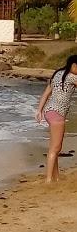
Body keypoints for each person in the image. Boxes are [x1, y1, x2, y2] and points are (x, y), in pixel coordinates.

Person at [35, 54, 77, 183]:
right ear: (73, 65)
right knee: (55, 148)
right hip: (57, 114)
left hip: (49, 111)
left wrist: (39, 110)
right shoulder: (71, 77)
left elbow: (46, 94)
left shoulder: (57, 74)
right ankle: (48, 179)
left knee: (54, 147)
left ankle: (56, 176)